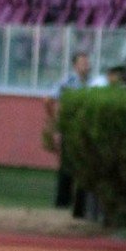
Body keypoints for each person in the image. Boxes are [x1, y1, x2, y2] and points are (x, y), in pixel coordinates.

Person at [46, 51, 92, 216]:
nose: (86, 66)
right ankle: (62, 202)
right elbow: (49, 100)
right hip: (69, 130)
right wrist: (56, 123)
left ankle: (79, 205)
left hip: (85, 131)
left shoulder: (92, 84)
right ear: (75, 65)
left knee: (83, 168)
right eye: (82, 63)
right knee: (66, 167)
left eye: (87, 63)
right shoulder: (67, 83)